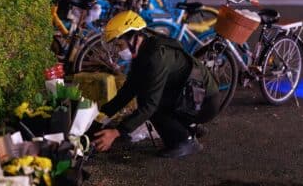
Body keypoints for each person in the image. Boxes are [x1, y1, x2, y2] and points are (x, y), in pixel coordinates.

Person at [91, 11, 220, 158]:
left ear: (135, 38)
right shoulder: (144, 52)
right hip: (193, 95)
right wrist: (101, 115)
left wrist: (115, 132)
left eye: (120, 45)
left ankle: (185, 141)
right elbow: (129, 89)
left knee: (150, 104)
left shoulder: (155, 57)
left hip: (205, 102)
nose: (119, 51)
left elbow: (149, 106)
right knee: (147, 95)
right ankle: (189, 126)